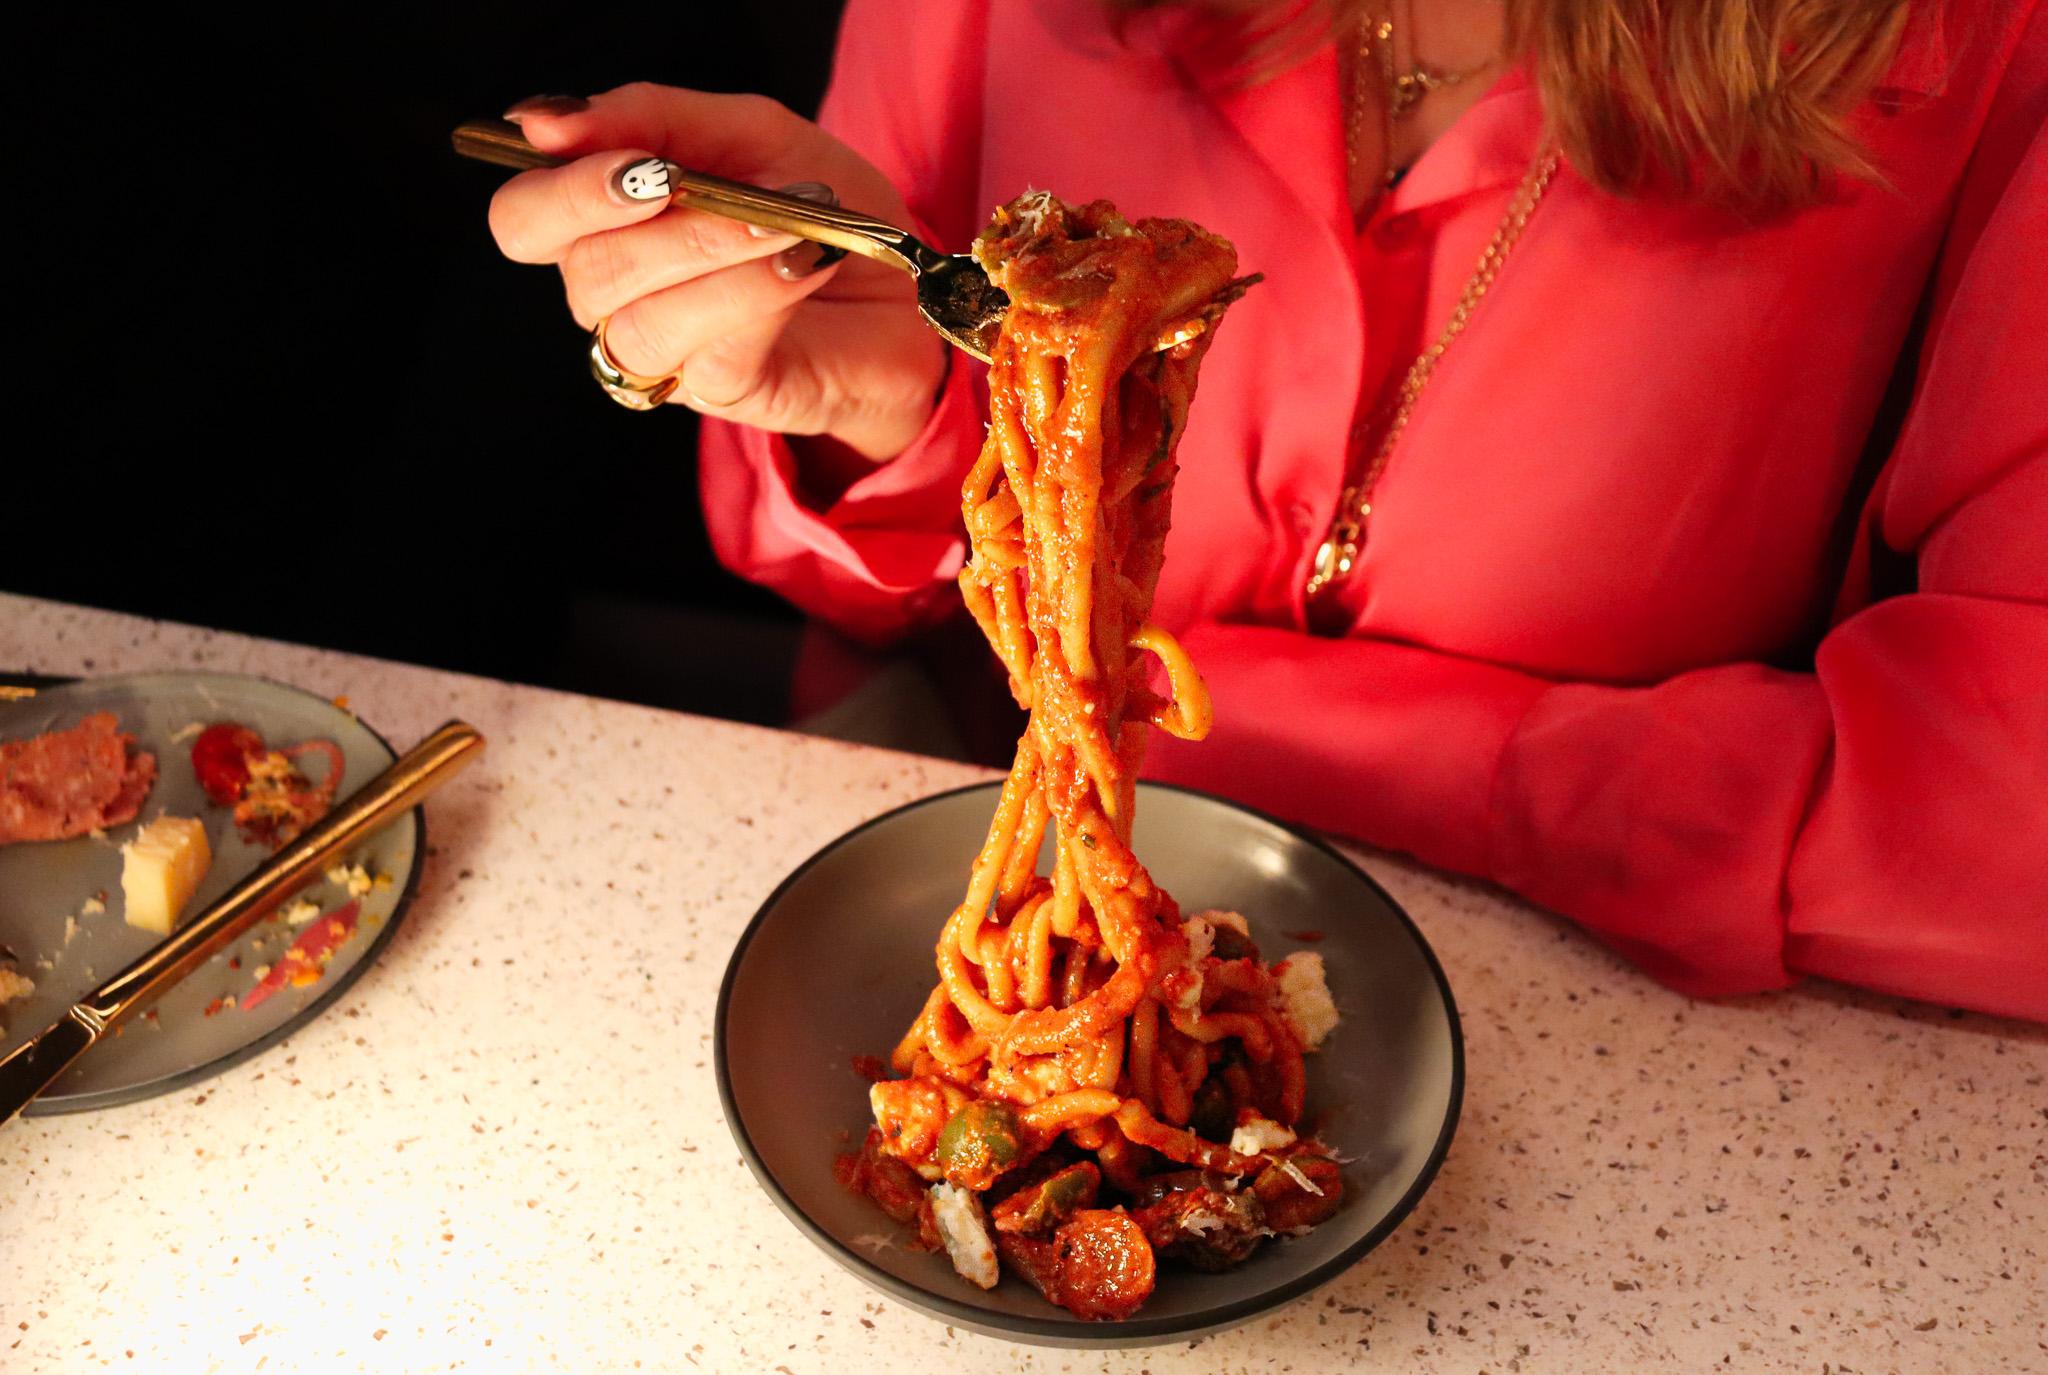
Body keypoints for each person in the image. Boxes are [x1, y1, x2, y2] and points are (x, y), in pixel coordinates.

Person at [487, 0, 2047, 1022]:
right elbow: (843, 573)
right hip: (951, 925)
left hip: (1598, 1027)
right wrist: (903, 421)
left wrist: (1256, 718)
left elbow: (2006, 823)